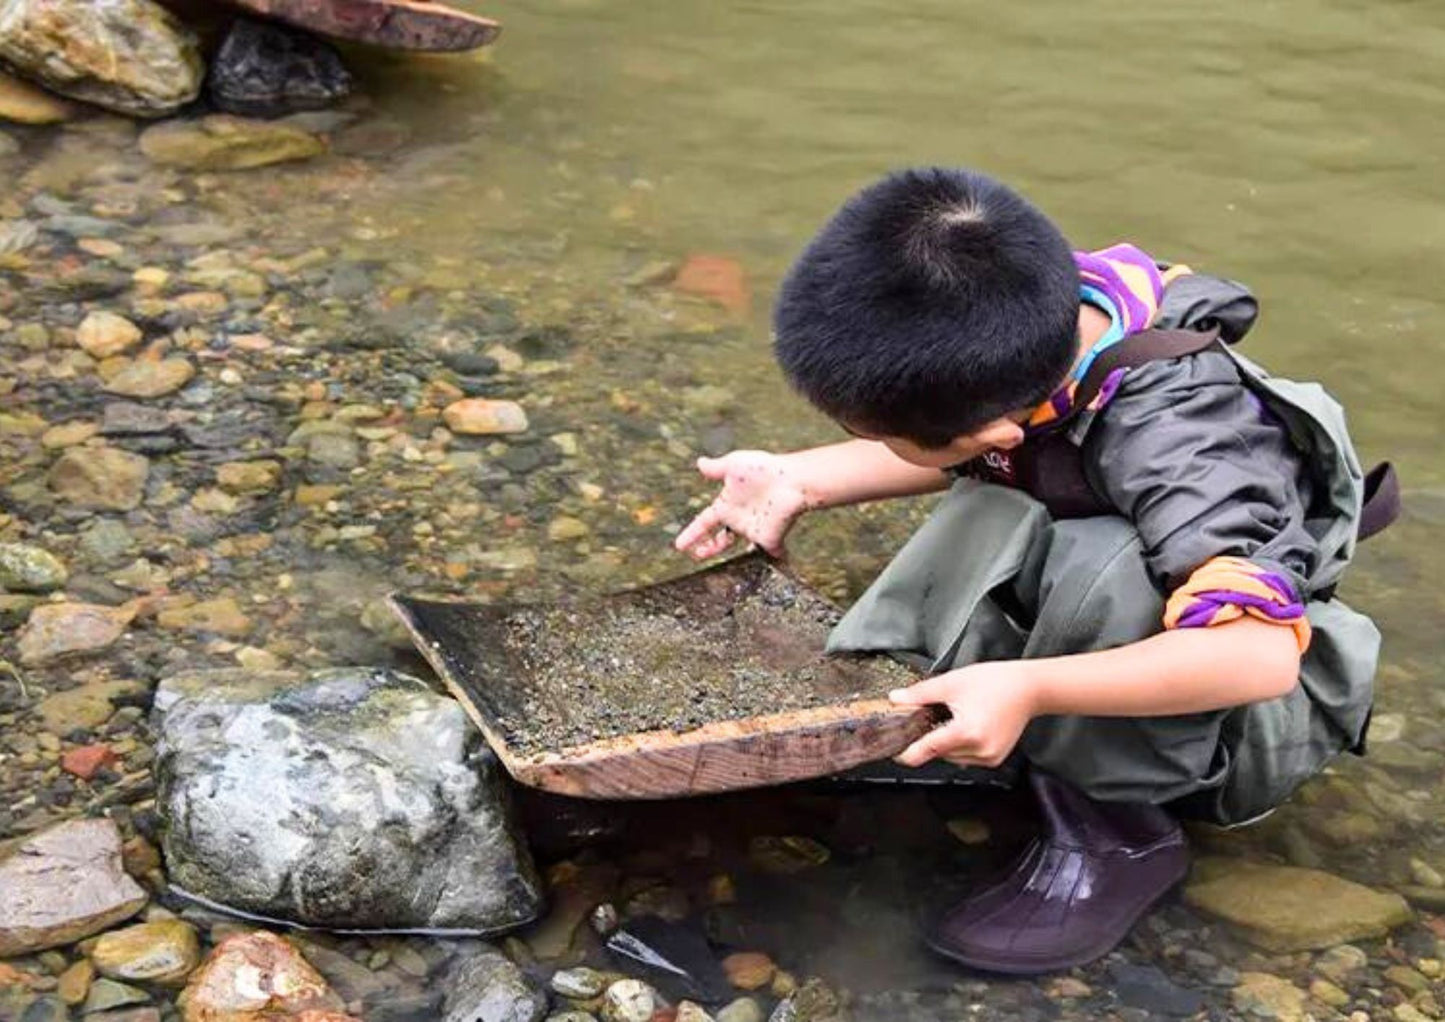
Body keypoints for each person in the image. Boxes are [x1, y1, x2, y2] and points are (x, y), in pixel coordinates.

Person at [673, 167, 1390, 975]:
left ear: (993, 432)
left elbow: (1254, 656)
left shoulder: (1190, 450)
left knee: (1100, 556)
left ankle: (1118, 833)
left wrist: (1031, 688)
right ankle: (973, 713)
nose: (861, 440)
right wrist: (800, 476)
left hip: (1239, 712)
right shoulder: (1035, 314)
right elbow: (970, 450)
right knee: (997, 512)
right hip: (1124, 611)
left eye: (869, 432)